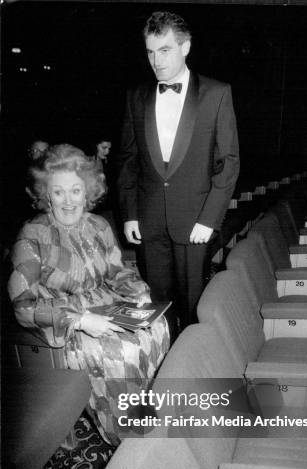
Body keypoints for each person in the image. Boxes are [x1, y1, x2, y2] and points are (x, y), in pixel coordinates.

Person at [8, 144, 170, 446]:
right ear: (45, 194)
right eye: (58, 192)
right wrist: (80, 320)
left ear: (88, 191)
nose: (68, 201)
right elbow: (23, 307)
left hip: (106, 305)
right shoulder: (31, 236)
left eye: (76, 191)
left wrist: (138, 295)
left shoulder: (98, 225)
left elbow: (117, 273)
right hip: (63, 323)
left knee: (157, 327)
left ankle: (146, 412)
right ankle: (125, 437)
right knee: (119, 352)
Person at [118, 11, 240, 332]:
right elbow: (128, 160)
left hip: (194, 221)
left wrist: (209, 219)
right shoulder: (136, 96)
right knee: (157, 306)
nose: (156, 61)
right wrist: (130, 213)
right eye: (150, 52)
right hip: (149, 220)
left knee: (192, 305)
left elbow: (228, 162)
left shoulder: (216, 93)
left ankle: (188, 368)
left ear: (185, 47)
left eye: (165, 50)